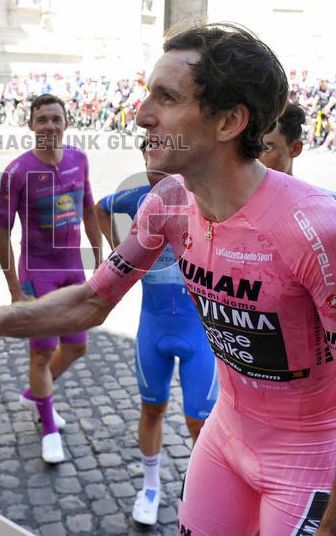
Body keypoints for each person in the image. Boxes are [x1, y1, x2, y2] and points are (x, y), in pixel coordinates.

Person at [0, 23, 336, 535]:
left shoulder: (322, 230)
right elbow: (91, 301)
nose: (142, 115)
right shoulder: (168, 201)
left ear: (230, 120)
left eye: (165, 98)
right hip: (225, 439)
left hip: (306, 456)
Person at [93, 143, 217, 525]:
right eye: (149, 157)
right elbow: (101, 207)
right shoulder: (136, 198)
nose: (155, 165)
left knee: (201, 423)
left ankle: (203, 490)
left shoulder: (203, 198)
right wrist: (119, 251)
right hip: (154, 326)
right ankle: (150, 486)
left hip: (200, 334)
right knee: (152, 409)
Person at [0, 93, 102, 463]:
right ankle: (48, 427)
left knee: (77, 346)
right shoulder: (17, 172)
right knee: (41, 354)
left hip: (72, 269)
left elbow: (89, 210)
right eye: (42, 119)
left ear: (66, 122)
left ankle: (37, 393)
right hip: (37, 273)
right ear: (30, 125)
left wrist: (99, 259)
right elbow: (0, 234)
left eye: (56, 118)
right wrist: (14, 289)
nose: (50, 126)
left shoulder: (79, 159)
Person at [261, 103, 336, 233]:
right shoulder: (233, 207)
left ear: (295, 148)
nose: (255, 157)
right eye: (251, 147)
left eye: (267, 148)